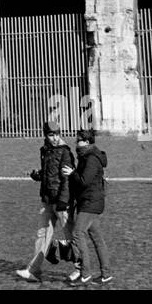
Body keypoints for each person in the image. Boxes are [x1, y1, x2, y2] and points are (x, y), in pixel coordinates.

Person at [16, 121, 76, 283]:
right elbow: (49, 173)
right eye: (51, 135)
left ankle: (81, 269)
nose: (55, 138)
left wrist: (64, 200)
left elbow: (66, 179)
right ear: (45, 135)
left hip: (61, 201)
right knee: (42, 235)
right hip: (48, 199)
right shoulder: (45, 150)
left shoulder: (65, 152)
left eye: (57, 134)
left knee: (71, 235)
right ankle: (33, 270)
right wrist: (38, 175)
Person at [66, 129, 112, 286]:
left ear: (86, 142)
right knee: (97, 238)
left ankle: (85, 274)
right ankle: (106, 274)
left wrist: (72, 173)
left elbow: (84, 180)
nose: (76, 142)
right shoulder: (87, 156)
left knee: (78, 233)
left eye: (78, 140)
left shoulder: (91, 158)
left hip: (90, 203)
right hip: (91, 202)